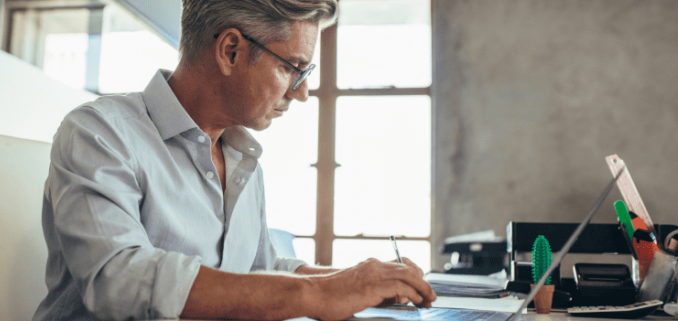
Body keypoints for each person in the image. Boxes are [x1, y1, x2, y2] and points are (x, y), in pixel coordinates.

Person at [32, 1, 436, 320]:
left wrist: (357, 280)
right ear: (230, 50)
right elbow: (118, 279)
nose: (301, 93)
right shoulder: (100, 133)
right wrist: (319, 293)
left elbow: (257, 269)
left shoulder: (242, 158)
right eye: (291, 68)